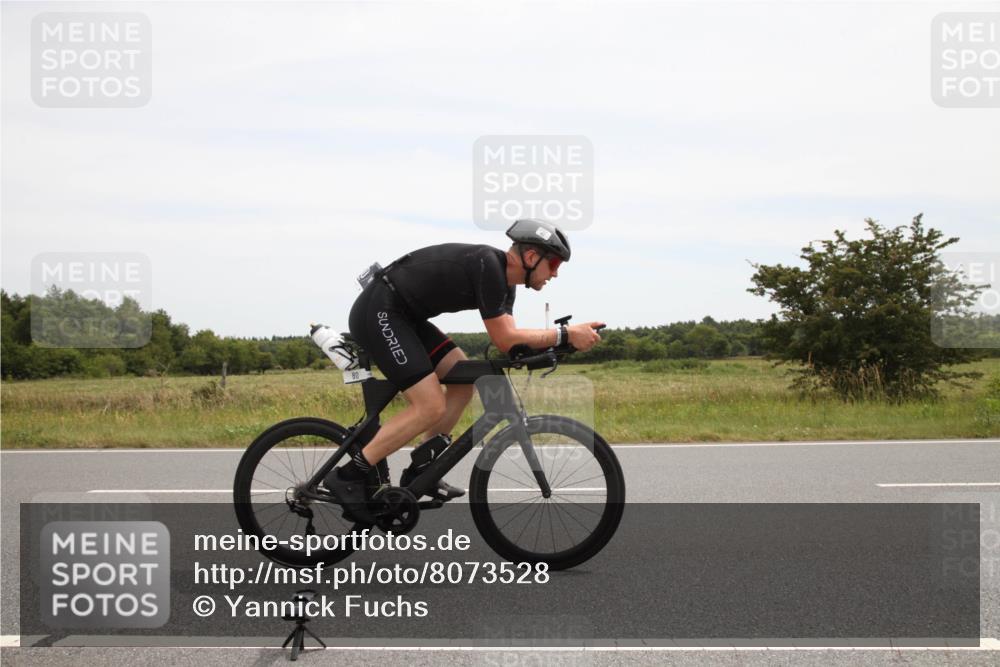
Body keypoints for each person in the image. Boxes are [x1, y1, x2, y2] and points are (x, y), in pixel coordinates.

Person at [324, 219, 603, 521]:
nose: (556, 273)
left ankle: (421, 470)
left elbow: (511, 344)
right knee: (430, 405)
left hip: (405, 318)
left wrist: (561, 345)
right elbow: (505, 338)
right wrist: (565, 334)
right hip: (380, 311)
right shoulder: (488, 266)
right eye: (554, 264)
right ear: (532, 257)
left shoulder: (506, 286)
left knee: (463, 379)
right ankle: (348, 475)